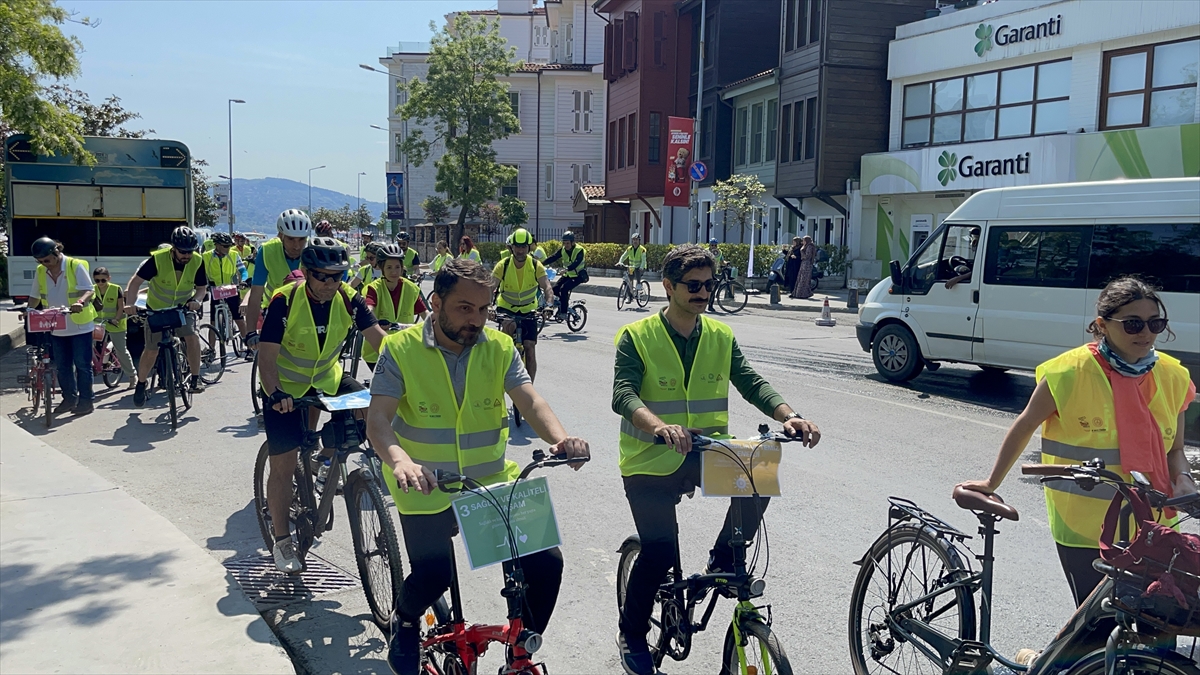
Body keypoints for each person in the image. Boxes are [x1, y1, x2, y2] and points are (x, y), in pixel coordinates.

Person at [365, 257, 590, 675]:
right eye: (464, 309)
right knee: (432, 575)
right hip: (425, 484)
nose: (477, 320)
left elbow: (531, 400)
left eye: (484, 309)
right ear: (435, 303)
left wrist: (560, 438)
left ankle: (521, 650)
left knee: (546, 564)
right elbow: (377, 419)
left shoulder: (500, 346)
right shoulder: (400, 348)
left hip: (489, 482)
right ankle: (406, 620)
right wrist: (401, 462)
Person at [611, 244, 820, 674]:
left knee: (761, 467)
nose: (703, 292)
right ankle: (631, 633)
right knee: (660, 553)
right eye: (693, 285)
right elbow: (623, 394)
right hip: (649, 460)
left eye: (709, 284)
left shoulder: (720, 335)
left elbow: (749, 380)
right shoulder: (637, 336)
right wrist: (659, 427)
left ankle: (724, 556)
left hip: (706, 449)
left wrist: (791, 415)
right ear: (668, 287)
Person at [959, 276, 1195, 607]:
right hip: (1086, 528)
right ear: (1103, 325)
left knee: (1155, 622)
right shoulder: (1070, 372)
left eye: (1156, 323)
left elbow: (1176, 450)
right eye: (1132, 324)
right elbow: (1025, 424)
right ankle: (1064, 661)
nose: (1146, 333)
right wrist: (991, 482)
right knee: (1097, 624)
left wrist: (1183, 480)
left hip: (1154, 525)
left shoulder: (1173, 376)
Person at [258, 237, 387, 573]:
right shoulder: (284, 300)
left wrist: (409, 374)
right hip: (285, 389)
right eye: (323, 276)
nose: (331, 283)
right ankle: (283, 540)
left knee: (372, 407)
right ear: (307, 273)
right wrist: (274, 393)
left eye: (338, 276)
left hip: (327, 379)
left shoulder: (348, 298)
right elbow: (267, 356)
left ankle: (329, 462)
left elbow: (379, 341)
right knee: (284, 466)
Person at [125, 226, 209, 403]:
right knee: (151, 350)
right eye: (183, 252)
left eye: (190, 252)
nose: (187, 256)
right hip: (156, 309)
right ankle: (141, 384)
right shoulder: (157, 260)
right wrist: (130, 305)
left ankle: (195, 378)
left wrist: (198, 301)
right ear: (173, 248)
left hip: (182, 308)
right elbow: (135, 283)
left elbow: (201, 288)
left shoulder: (197, 261)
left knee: (192, 337)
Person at [28, 237, 97, 416]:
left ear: (56, 253)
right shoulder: (41, 271)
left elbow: (89, 290)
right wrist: (29, 310)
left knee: (82, 365)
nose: (45, 264)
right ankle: (68, 399)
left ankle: (86, 401)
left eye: (47, 260)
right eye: (41, 262)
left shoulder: (75, 266)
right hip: (56, 326)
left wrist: (80, 302)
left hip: (80, 325)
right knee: (62, 366)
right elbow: (35, 295)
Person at [492, 228, 554, 381]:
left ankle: (529, 390)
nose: (520, 250)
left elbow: (547, 286)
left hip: (529, 310)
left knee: (530, 349)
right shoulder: (503, 265)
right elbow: (490, 287)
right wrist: (487, 307)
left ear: (528, 248)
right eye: (517, 247)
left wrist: (549, 305)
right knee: (509, 329)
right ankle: (502, 375)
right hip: (506, 309)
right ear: (511, 247)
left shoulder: (535, 265)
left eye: (523, 247)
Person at [244, 210, 313, 346]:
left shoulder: (313, 250)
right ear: (280, 235)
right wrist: (250, 331)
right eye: (291, 239)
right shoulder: (267, 251)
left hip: (306, 311)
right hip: (274, 309)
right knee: (268, 359)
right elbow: (256, 293)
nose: (297, 246)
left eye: (301, 239)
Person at [363, 243, 428, 370]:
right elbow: (369, 308)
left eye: (397, 267)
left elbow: (425, 313)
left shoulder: (411, 288)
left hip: (403, 349)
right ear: (382, 268)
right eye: (389, 267)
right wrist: (373, 321)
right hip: (378, 352)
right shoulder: (374, 288)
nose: (394, 271)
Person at [91, 266, 135, 388]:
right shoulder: (91, 290)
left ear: (109, 278)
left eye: (103, 280)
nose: (100, 283)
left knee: (121, 350)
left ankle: (132, 376)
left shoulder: (116, 289)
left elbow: (121, 306)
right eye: (97, 280)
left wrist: (116, 318)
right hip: (98, 323)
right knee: (86, 345)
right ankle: (97, 365)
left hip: (116, 324)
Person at [202, 232, 248, 342]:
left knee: (240, 320)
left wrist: (244, 280)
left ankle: (249, 347)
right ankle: (211, 350)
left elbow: (242, 270)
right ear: (217, 245)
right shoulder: (206, 256)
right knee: (213, 323)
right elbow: (200, 274)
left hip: (230, 288)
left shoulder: (233, 255)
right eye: (225, 246)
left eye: (229, 246)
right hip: (215, 289)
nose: (228, 249)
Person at [543, 231, 586, 319]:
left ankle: (563, 312)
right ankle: (563, 303)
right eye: (564, 243)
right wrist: (540, 264)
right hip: (568, 275)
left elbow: (576, 263)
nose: (566, 245)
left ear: (573, 242)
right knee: (554, 289)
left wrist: (567, 269)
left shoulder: (579, 250)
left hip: (578, 276)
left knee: (564, 289)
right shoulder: (563, 250)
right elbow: (554, 257)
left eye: (568, 243)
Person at [617, 233, 647, 302]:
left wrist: (642, 267)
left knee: (637, 273)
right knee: (628, 281)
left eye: (636, 240)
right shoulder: (629, 249)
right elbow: (623, 256)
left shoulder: (642, 250)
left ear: (639, 241)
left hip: (640, 267)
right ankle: (629, 297)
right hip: (632, 268)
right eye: (633, 240)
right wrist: (620, 262)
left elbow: (643, 260)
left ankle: (639, 285)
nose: (635, 241)